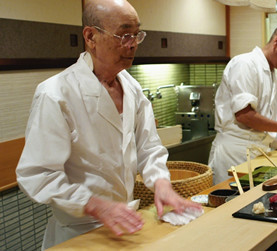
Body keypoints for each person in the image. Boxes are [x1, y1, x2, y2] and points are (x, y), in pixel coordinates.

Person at [16, 0, 201, 249]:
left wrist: (161, 183)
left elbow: (149, 148)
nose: (133, 44)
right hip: (78, 232)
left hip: (126, 225)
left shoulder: (132, 87)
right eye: (124, 35)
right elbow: (38, 174)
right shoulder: (55, 93)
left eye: (137, 35)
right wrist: (95, 204)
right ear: (91, 36)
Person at [208, 23, 277, 184]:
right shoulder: (245, 64)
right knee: (233, 204)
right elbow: (244, 115)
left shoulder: (270, 72)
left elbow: (261, 115)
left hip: (257, 151)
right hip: (235, 153)